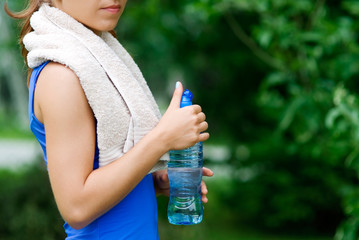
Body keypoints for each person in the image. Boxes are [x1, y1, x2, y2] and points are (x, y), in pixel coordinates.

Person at [5, 0, 213, 239]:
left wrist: (152, 182)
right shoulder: (61, 77)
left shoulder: (94, 60)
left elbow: (100, 171)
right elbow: (77, 207)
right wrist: (162, 139)